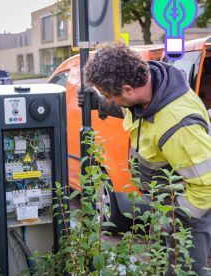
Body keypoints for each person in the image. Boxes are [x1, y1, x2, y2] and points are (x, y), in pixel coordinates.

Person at [78, 43, 211, 275]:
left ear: (128, 89)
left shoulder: (178, 124)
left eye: (110, 95)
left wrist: (176, 218)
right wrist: (102, 104)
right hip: (166, 207)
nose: (111, 99)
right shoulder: (152, 87)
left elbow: (207, 185)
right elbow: (133, 109)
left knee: (184, 271)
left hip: (189, 219)